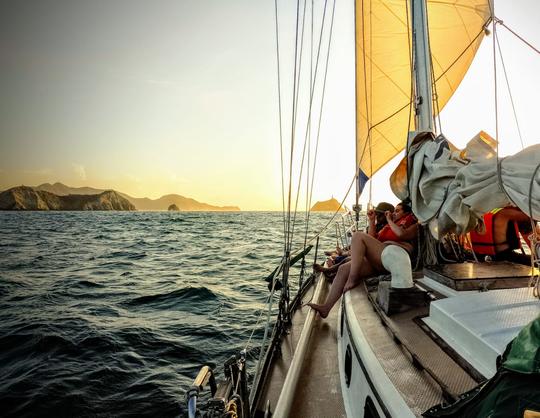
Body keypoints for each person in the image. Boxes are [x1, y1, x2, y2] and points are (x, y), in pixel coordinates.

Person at [308, 201, 417, 318]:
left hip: (393, 260)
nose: (393, 213)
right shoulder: (389, 226)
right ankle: (326, 308)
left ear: (406, 213)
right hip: (380, 258)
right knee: (343, 269)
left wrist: (389, 220)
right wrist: (371, 220)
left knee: (357, 236)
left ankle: (353, 278)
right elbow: (371, 238)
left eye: (397, 211)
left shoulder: (413, 225)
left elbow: (401, 234)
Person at [313, 202, 395, 276]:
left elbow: (373, 240)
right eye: (377, 214)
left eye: (380, 214)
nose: (378, 216)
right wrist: (371, 220)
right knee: (350, 257)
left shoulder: (391, 227)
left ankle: (332, 267)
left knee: (350, 258)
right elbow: (371, 237)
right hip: (370, 253)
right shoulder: (378, 225)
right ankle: (333, 267)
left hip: (378, 258)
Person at [470, 207, 534, 265]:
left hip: (479, 256)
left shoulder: (479, 212)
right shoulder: (506, 213)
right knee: (535, 261)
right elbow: (530, 216)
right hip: (504, 257)